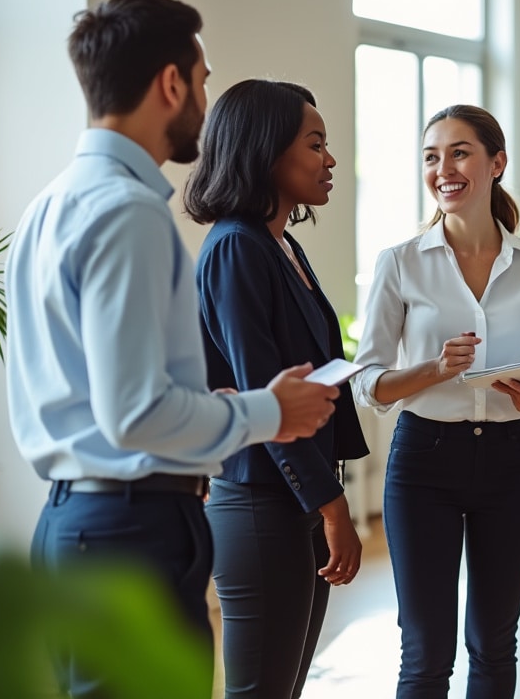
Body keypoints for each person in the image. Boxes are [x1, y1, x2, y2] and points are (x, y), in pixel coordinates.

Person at [5, 0, 340, 697]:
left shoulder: (50, 204)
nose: (206, 102)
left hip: (80, 519)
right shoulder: (128, 213)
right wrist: (264, 412)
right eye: (205, 78)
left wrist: (204, 405)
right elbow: (133, 413)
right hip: (132, 527)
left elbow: (103, 391)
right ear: (170, 83)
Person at [351, 104, 520, 698]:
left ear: (496, 163)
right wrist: (434, 368)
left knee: (494, 644)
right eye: (432, 156)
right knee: (426, 652)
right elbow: (367, 382)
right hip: (424, 460)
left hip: (512, 459)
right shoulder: (400, 263)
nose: (443, 168)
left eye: (459, 152)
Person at [184, 79, 370, 698]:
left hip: (295, 500)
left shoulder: (280, 243)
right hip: (260, 503)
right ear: (265, 151)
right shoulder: (237, 247)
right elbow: (265, 395)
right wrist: (333, 506)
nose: (330, 159)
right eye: (315, 144)